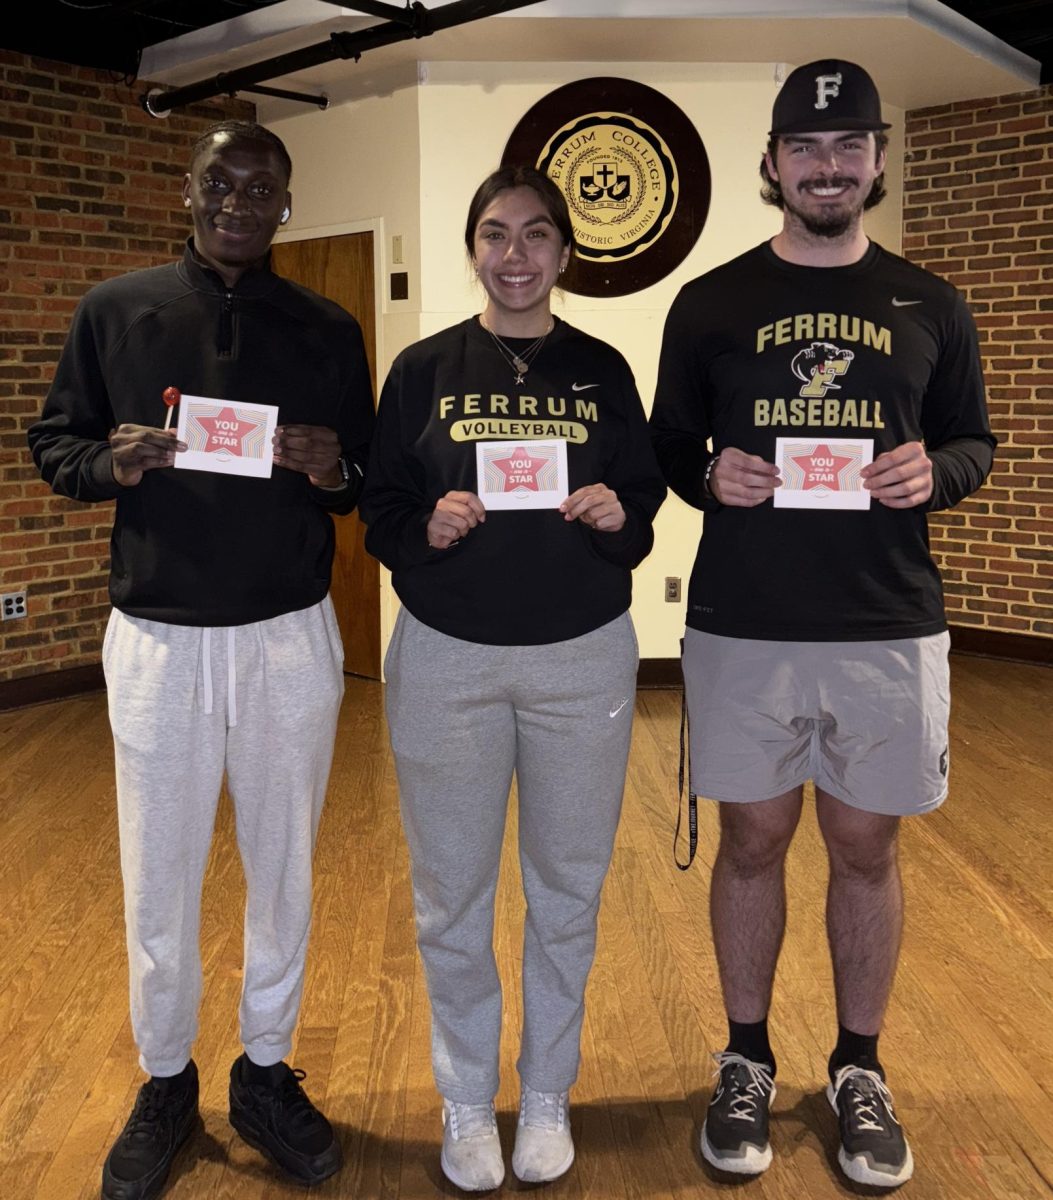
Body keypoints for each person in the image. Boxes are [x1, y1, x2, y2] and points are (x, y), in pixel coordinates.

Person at [650, 60, 994, 1189]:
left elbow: (972, 444)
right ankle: (745, 1057)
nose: (829, 165)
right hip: (747, 623)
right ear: (773, 161)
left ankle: (858, 1069)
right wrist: (713, 475)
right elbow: (667, 449)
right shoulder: (709, 302)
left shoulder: (932, 302)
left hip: (887, 624)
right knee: (752, 841)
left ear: (879, 160)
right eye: (807, 146)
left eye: (850, 147)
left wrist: (928, 473)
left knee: (866, 845)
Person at [28, 120, 374, 1200]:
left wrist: (331, 467)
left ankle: (264, 1071)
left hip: (285, 634)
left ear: (285, 201)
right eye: (219, 179)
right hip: (159, 639)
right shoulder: (116, 311)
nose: (238, 197)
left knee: (283, 869)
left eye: (259, 184)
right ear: (191, 190)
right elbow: (56, 445)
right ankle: (166, 1078)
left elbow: (360, 475)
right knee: (158, 874)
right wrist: (111, 462)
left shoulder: (325, 326)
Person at [360, 165, 665, 1191]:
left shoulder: (604, 368)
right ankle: (463, 1101)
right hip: (447, 656)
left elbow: (641, 499)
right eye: (496, 234)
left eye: (538, 236)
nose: (517, 254)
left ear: (564, 255)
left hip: (583, 658)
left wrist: (625, 522)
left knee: (567, 891)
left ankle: (545, 1092)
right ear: (473, 248)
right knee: (451, 896)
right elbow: (382, 510)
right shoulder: (422, 369)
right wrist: (424, 530)